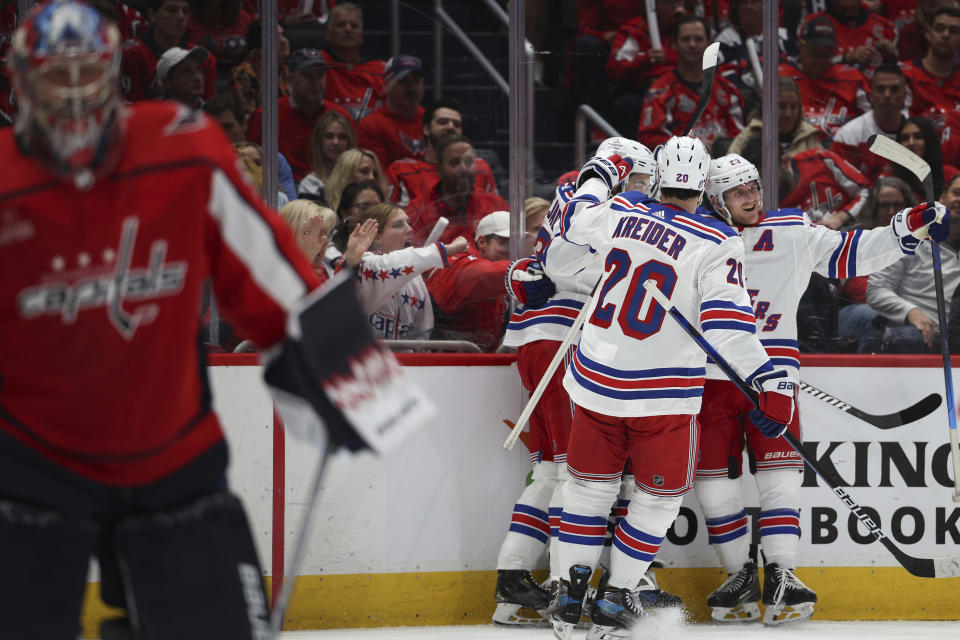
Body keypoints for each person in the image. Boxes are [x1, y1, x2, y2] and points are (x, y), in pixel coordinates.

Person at [0, 2, 425, 638]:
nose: (71, 102)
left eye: (85, 77)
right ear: (19, 82)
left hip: (171, 448)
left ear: (112, 74)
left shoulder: (183, 150)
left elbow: (273, 282)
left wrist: (354, 379)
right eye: (53, 80)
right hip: (29, 456)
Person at [545, 137, 795, 640]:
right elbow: (727, 325)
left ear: (657, 178)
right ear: (704, 185)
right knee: (656, 501)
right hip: (662, 396)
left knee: (587, 492)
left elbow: (573, 218)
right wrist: (769, 379)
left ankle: (569, 594)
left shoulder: (620, 209)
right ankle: (617, 595)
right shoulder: (719, 239)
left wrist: (599, 170)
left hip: (595, 382)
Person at [695, 154, 947, 626]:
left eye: (753, 186)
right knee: (714, 484)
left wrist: (906, 228)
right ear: (715, 200)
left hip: (774, 376)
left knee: (781, 479)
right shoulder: (697, 237)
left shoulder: (790, 231)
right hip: (709, 378)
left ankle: (783, 574)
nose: (751, 198)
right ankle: (738, 577)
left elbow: (854, 252)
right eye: (737, 193)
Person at [492, 138, 665, 627]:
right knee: (578, 475)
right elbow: (576, 268)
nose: (643, 190)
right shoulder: (598, 201)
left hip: (536, 340)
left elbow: (545, 266)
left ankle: (513, 582)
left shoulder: (575, 191)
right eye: (636, 178)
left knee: (551, 469)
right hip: (565, 342)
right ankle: (567, 589)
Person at [866, 173, 960, 353]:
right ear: (942, 197)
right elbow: (875, 289)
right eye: (957, 193)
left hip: (955, 339)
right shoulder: (909, 238)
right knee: (905, 338)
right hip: (915, 334)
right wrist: (910, 311)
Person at [352, 203, 468, 341]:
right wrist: (446, 249)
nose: (410, 230)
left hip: (406, 362)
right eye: (398, 225)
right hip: (365, 361)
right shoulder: (362, 265)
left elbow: (422, 334)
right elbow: (389, 265)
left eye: (408, 223)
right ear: (376, 237)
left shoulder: (415, 278)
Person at [637, 14, 744, 152]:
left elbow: (740, 138)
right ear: (675, 44)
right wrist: (689, 146)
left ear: (709, 44)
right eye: (686, 39)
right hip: (679, 166)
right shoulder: (659, 91)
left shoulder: (727, 90)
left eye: (698, 39)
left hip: (725, 164)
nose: (692, 44)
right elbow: (649, 139)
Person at [245, 48, 352, 182]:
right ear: (289, 80)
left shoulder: (341, 116)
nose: (315, 82)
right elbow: (252, 163)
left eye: (320, 75)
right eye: (307, 75)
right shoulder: (266, 116)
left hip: (330, 187)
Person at [426, 210, 514, 351]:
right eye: (505, 243)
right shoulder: (461, 262)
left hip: (477, 359)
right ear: (482, 242)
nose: (512, 250)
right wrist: (526, 267)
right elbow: (480, 275)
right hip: (445, 362)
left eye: (516, 244)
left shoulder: (498, 265)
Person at [386, 97, 499, 207]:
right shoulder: (402, 170)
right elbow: (391, 220)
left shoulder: (480, 168)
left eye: (457, 124)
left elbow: (495, 213)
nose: (450, 127)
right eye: (443, 122)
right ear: (426, 129)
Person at [406, 134, 509, 245]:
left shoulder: (496, 205)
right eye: (454, 162)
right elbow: (415, 259)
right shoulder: (418, 212)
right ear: (439, 169)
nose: (463, 169)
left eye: (469, 161)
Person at [778, 15, 869, 136]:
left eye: (826, 55)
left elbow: (872, 122)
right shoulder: (781, 76)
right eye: (815, 54)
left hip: (842, 150)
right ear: (800, 46)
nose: (820, 61)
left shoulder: (852, 78)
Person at [120, 0, 217, 102]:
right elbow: (131, 109)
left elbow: (210, 108)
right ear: (152, 15)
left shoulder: (205, 59)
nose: (180, 16)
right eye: (172, 10)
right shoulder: (132, 54)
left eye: (185, 12)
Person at [830, 64, 907, 182]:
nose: (887, 95)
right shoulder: (848, 135)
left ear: (905, 95)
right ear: (870, 95)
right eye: (880, 89)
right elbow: (841, 184)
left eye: (894, 89)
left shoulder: (917, 134)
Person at [728, 76, 825, 160]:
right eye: (782, 106)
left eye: (793, 107)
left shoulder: (809, 138)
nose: (788, 114)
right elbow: (729, 171)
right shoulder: (749, 136)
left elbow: (823, 174)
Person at [355, 54, 426, 170]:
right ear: (387, 85)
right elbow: (377, 176)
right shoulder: (372, 126)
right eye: (403, 82)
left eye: (416, 81)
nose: (411, 88)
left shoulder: (430, 119)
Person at [320, 2, 385, 122]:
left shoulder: (380, 69)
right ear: (328, 33)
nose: (348, 29)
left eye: (354, 26)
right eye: (341, 25)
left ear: (361, 35)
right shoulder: (318, 64)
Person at [801, 0, 896, 68]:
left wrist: (891, 58)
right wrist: (844, 58)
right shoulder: (812, 24)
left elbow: (903, 70)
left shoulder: (887, 27)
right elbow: (806, 65)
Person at [297, 110, 357, 202]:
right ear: (319, 141)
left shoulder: (361, 177)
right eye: (329, 136)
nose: (336, 142)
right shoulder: (311, 183)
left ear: (349, 142)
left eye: (342, 137)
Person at [323, 148, 389, 212]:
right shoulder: (323, 211)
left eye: (375, 174)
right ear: (346, 173)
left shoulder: (388, 214)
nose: (372, 177)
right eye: (364, 171)